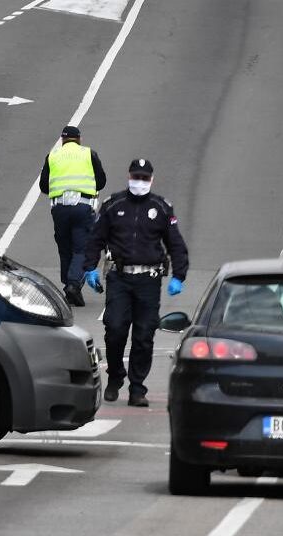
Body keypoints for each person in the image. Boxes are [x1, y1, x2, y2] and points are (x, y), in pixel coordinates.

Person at [83, 158, 190, 407]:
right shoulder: (113, 204)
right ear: (129, 176)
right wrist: (89, 268)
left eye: (144, 178)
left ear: (151, 180)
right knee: (115, 329)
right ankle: (115, 376)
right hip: (120, 277)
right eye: (136, 177)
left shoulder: (161, 208)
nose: (139, 182)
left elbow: (175, 243)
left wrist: (179, 275)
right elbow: (95, 238)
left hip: (148, 281)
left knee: (144, 335)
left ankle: (137, 388)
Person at [39, 124, 107, 307]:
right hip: (82, 207)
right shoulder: (89, 154)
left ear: (62, 140)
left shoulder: (52, 156)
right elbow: (101, 181)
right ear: (79, 139)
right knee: (81, 249)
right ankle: (73, 284)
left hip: (59, 208)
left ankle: (69, 287)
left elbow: (43, 186)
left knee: (65, 248)